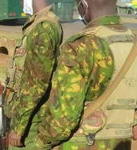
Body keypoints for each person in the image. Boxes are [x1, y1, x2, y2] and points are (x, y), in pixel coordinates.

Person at [26, 0, 137, 149]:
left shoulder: (80, 46)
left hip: (83, 143)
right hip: (123, 143)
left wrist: (39, 143)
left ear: (84, 5)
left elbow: (62, 119)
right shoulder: (133, 41)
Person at [2, 0, 63, 149]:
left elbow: (36, 83)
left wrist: (18, 127)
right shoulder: (39, 24)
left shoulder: (44, 27)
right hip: (28, 116)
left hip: (31, 122)